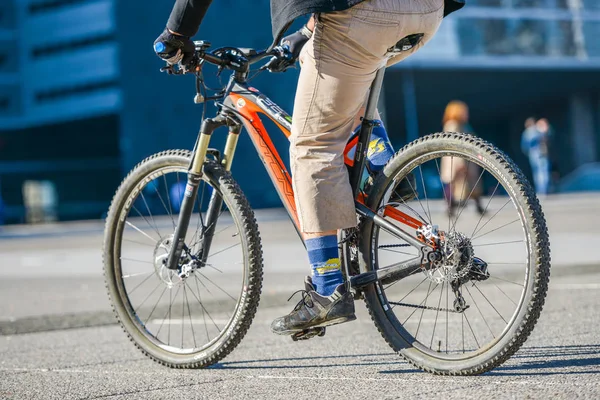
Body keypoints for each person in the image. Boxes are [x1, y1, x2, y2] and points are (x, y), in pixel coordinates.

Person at [154, 0, 465, 337]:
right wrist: (305, 33)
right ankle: (381, 166)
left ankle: (327, 285)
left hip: (364, 14)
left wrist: (175, 33)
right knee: (338, 67)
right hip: (425, 11)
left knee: (312, 146)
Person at [440, 101, 485, 216]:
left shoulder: (464, 125)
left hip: (466, 159)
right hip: (457, 160)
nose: (466, 114)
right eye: (464, 112)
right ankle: (451, 208)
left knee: (469, 185)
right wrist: (460, 163)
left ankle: (474, 207)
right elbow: (454, 145)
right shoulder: (453, 124)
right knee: (455, 184)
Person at [521, 117, 550, 195]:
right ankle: (544, 189)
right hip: (541, 152)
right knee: (543, 171)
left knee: (537, 172)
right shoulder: (538, 130)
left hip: (533, 154)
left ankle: (541, 190)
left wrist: (528, 153)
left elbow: (524, 146)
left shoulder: (526, 133)